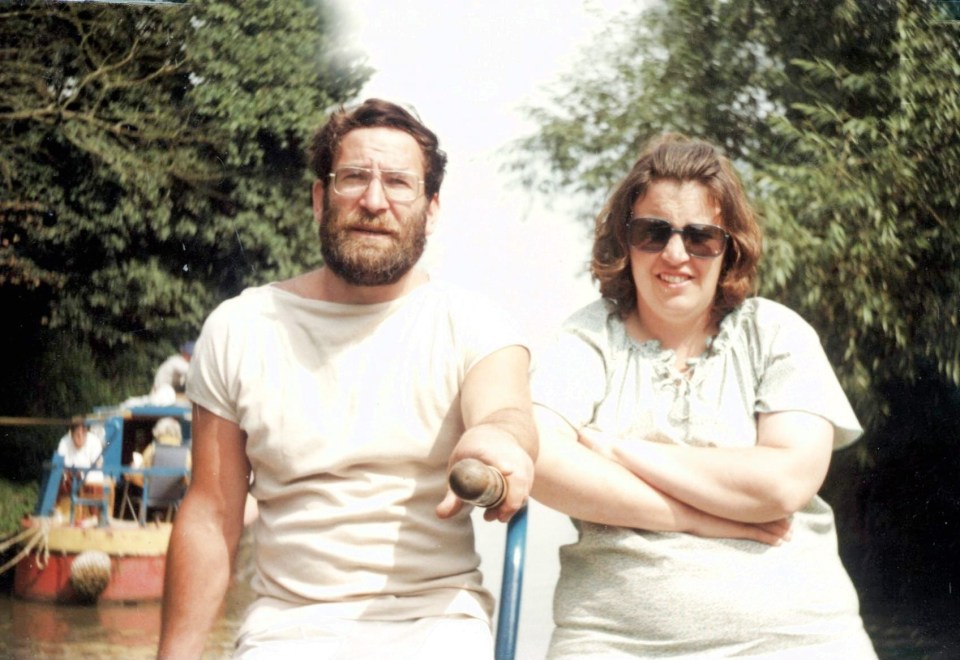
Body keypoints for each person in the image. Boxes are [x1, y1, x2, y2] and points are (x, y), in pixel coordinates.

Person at [159, 99, 537, 659]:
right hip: (288, 629)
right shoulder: (239, 327)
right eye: (354, 178)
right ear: (320, 198)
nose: (374, 200)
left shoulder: (476, 324)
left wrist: (498, 442)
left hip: (437, 623)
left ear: (431, 209)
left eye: (399, 184)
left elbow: (505, 414)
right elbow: (213, 513)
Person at [530, 133, 876, 658]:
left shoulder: (776, 333)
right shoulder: (588, 339)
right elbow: (538, 457)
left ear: (728, 247)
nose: (676, 254)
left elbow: (782, 483)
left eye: (700, 238)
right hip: (616, 642)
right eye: (653, 232)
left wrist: (623, 451)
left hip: (796, 639)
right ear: (625, 241)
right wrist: (701, 516)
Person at [126, 416, 191, 489]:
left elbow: (141, 474)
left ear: (158, 431)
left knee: (128, 473)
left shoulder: (152, 449)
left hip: (152, 494)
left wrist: (132, 471)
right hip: (178, 496)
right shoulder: (186, 452)